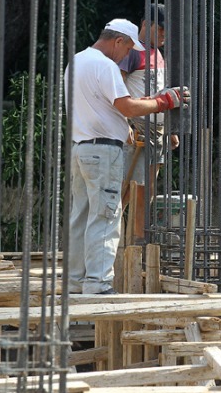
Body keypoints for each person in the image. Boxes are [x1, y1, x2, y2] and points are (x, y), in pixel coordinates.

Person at [65, 18, 189, 294]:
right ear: (118, 41)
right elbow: (127, 107)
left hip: (80, 149)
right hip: (104, 151)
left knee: (81, 216)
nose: (127, 56)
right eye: (129, 48)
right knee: (106, 217)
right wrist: (164, 101)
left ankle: (75, 282)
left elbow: (111, 104)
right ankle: (97, 283)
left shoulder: (76, 61)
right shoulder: (106, 66)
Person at [118, 3, 179, 244]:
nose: (164, 36)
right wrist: (125, 124)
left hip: (158, 131)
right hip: (137, 129)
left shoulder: (158, 54)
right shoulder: (131, 51)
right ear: (146, 24)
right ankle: (117, 240)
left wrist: (170, 129)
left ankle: (137, 240)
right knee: (128, 189)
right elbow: (117, 88)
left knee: (148, 189)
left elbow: (160, 92)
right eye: (160, 30)